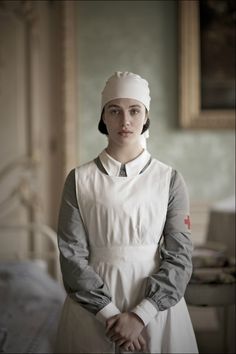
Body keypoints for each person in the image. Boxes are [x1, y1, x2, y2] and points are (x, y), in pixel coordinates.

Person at [55, 71, 199, 353]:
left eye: (134, 110)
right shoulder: (78, 180)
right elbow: (71, 254)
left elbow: (180, 257)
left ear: (146, 117)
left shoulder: (169, 179)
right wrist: (109, 315)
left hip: (156, 313)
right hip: (91, 314)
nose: (125, 121)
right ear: (103, 117)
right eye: (115, 111)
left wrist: (139, 315)